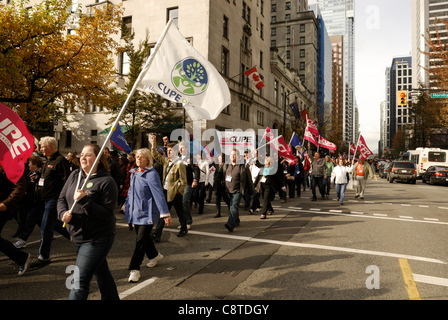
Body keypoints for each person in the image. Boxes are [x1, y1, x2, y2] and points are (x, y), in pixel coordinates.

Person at [58, 144, 119, 300]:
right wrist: (62, 213)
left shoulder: (107, 181)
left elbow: (107, 214)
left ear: (98, 159)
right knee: (102, 273)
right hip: (78, 236)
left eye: (88, 155)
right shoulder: (75, 176)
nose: (83, 158)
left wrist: (85, 201)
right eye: (82, 154)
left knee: (79, 281)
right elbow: (62, 199)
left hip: (96, 238)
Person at [125, 148, 172, 283]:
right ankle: (154, 255)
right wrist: (126, 207)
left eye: (142, 157)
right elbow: (131, 192)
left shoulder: (151, 174)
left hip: (147, 214)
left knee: (140, 242)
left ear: (148, 160)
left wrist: (165, 214)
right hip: (135, 213)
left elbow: (158, 195)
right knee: (144, 239)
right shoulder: (134, 172)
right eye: (137, 156)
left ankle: (135, 269)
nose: (138, 159)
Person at [31, 136, 71, 267]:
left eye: (43, 146)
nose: (41, 149)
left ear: (51, 147)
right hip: (45, 199)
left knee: (46, 227)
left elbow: (67, 182)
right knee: (55, 225)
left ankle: (44, 256)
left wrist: (64, 200)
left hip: (54, 200)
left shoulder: (60, 161)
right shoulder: (47, 161)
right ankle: (79, 240)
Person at [150, 135, 188, 241]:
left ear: (176, 152)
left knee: (178, 211)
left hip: (174, 192)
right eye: (167, 150)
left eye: (170, 151)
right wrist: (153, 142)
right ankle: (158, 233)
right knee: (165, 211)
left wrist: (178, 192)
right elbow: (156, 156)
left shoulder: (180, 164)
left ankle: (183, 228)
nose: (168, 152)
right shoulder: (167, 161)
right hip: (166, 190)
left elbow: (183, 181)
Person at [0, 166, 30, 276]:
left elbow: (20, 187)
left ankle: (21, 258)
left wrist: (7, 203)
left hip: (2, 207)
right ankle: (21, 258)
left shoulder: (10, 162)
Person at [216, 148, 253, 232]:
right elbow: (219, 174)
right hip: (227, 191)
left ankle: (230, 224)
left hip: (238, 191)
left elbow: (249, 179)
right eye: (231, 154)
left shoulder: (243, 167)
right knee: (232, 207)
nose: (232, 156)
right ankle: (236, 220)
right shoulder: (226, 165)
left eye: (234, 154)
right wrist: (217, 185)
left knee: (233, 206)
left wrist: (251, 191)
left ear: (238, 156)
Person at [14, 156, 44, 249]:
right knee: (43, 222)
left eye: (30, 163)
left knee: (30, 221)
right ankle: (50, 234)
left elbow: (39, 186)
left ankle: (23, 240)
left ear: (35, 164)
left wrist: (32, 181)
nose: (28, 165)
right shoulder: (31, 173)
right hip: (32, 201)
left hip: (39, 201)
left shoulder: (41, 173)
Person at [178, 141, 199, 229]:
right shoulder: (177, 158)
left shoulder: (191, 158)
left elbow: (196, 169)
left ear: (186, 148)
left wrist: (195, 180)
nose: (181, 150)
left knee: (184, 201)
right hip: (178, 184)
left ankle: (188, 221)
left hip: (187, 183)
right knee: (179, 203)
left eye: (183, 148)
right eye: (180, 148)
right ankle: (183, 222)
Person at [213, 153, 229, 218]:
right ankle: (218, 212)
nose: (220, 158)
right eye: (219, 157)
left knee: (226, 198)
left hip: (224, 184)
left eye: (221, 157)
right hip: (218, 184)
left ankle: (230, 209)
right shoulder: (216, 165)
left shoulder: (226, 165)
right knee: (217, 198)